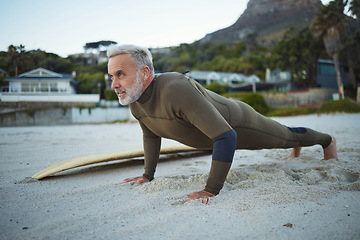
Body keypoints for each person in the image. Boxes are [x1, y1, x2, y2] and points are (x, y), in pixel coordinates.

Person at [107, 44, 338, 204]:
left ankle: (327, 141)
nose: (114, 84)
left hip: (240, 122)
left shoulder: (175, 89)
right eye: (111, 77)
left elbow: (226, 136)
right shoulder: (135, 102)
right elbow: (151, 136)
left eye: (120, 74)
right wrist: (147, 175)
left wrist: (210, 190)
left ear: (145, 73)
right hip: (220, 133)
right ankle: (294, 147)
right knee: (283, 140)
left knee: (286, 137)